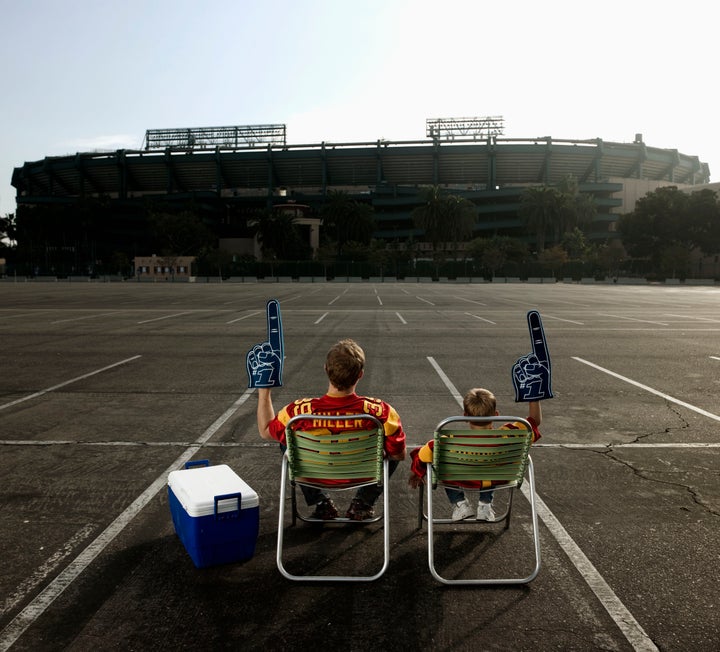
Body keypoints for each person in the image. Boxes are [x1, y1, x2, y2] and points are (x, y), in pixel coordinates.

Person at [257, 338, 407, 521]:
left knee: (287, 442)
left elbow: (265, 430)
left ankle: (321, 503)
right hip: (363, 475)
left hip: (314, 475)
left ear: (326, 370)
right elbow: (399, 455)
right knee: (391, 447)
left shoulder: (297, 413)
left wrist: (264, 390)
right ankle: (363, 502)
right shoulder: (382, 412)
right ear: (360, 374)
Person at [408, 387, 542, 521]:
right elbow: (534, 421)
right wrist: (533, 397)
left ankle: (460, 504)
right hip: (497, 477)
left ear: (465, 416)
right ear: (496, 415)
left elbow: (421, 455)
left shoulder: (447, 442)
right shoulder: (510, 435)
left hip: (461, 477)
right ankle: (485, 505)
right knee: (492, 464)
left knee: (440, 463)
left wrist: (417, 471)